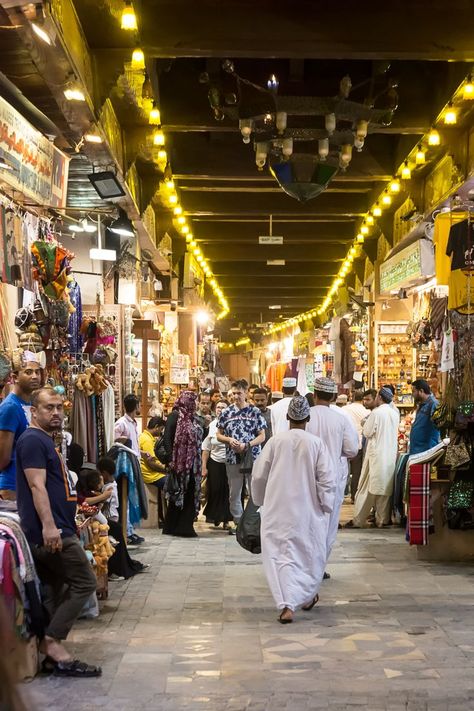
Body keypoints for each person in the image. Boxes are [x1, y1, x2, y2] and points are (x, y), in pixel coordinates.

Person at [15, 387, 101, 677]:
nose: (55, 413)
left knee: (55, 588)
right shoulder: (32, 440)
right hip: (51, 532)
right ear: (34, 412)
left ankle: (49, 652)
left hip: (59, 528)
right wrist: (50, 526)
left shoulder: (43, 440)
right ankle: (51, 644)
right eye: (48, 408)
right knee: (85, 582)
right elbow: (36, 486)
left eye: (59, 408)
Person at [252, 396, 334, 624]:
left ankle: (289, 603)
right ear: (308, 418)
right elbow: (327, 480)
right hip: (308, 511)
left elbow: (259, 476)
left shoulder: (275, 442)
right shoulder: (316, 443)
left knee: (279, 556)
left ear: (288, 417)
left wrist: (259, 500)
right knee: (307, 554)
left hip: (277, 509)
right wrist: (325, 505)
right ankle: (304, 596)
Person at [306, 377, 359, 564]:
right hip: (333, 477)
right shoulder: (341, 420)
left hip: (307, 477)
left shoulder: (306, 417)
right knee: (329, 522)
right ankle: (319, 567)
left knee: (308, 520)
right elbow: (352, 449)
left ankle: (307, 564)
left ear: (314, 395)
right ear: (334, 396)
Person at [217, 380, 266, 532]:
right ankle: (238, 522)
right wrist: (229, 440)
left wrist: (248, 445)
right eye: (233, 393)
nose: (236, 396)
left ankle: (253, 522)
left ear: (246, 393)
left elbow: (262, 436)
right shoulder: (226, 413)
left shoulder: (254, 412)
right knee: (234, 492)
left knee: (254, 490)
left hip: (252, 456)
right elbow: (218, 435)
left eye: (239, 393)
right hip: (233, 457)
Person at [350, 387, 400, 528]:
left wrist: (365, 423)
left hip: (376, 455)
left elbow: (367, 432)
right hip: (389, 455)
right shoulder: (394, 413)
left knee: (367, 487)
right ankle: (382, 520)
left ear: (380, 398)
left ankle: (359, 520)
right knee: (384, 488)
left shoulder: (377, 413)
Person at [96, 457, 147, 580]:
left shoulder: (109, 488)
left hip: (109, 518)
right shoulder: (112, 484)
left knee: (111, 545)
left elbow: (103, 504)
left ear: (104, 473)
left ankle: (114, 570)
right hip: (112, 516)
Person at [0, 352, 42, 499]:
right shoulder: (10, 407)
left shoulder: (30, 404)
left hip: (27, 484)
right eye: (28, 372)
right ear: (15, 377)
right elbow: (3, 458)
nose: (35, 376)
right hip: (12, 487)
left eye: (37, 372)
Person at [162, 391, 203, 538]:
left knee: (190, 492)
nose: (195, 403)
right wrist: (170, 459)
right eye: (193, 400)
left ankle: (184, 526)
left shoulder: (195, 418)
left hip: (193, 464)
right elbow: (167, 438)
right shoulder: (175, 416)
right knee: (178, 493)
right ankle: (173, 526)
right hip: (179, 462)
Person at [114, 394, 144, 545]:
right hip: (125, 466)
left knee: (132, 498)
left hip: (134, 462)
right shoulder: (121, 423)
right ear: (136, 406)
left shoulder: (132, 423)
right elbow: (115, 444)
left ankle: (131, 530)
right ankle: (127, 531)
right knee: (126, 498)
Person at [202, 400, 232, 529]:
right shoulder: (213, 425)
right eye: (218, 407)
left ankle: (226, 520)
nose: (220, 409)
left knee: (228, 492)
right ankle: (216, 515)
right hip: (215, 462)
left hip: (230, 463)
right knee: (215, 490)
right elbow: (206, 447)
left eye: (223, 407)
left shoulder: (233, 423)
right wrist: (204, 466)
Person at [342, 390, 367, 502]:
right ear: (363, 399)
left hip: (344, 442)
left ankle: (341, 494)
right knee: (357, 472)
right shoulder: (366, 411)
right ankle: (354, 496)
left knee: (343, 470)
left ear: (352, 397)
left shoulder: (344, 409)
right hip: (359, 444)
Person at [410, 379, 440, 455]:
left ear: (421, 391)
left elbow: (437, 424)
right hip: (417, 449)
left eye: (413, 391)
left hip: (426, 450)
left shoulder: (433, 404)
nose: (412, 394)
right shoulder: (422, 404)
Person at [139, 416, 167, 489]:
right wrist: (166, 469)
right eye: (161, 429)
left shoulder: (145, 436)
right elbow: (152, 463)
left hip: (151, 473)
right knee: (172, 483)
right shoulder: (147, 440)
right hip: (150, 475)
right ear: (156, 427)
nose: (161, 432)